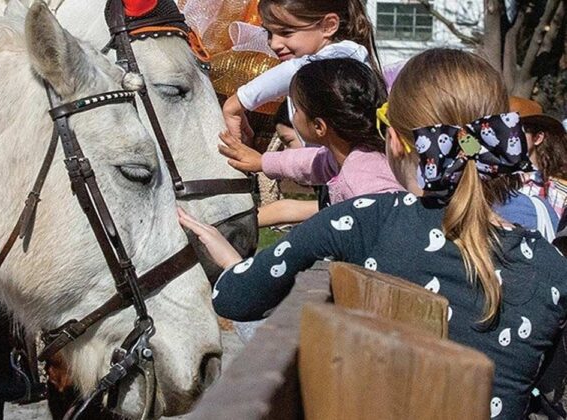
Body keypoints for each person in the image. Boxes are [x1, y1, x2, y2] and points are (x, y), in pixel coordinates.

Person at [180, 48, 567, 419]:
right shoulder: (553, 267)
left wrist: (233, 263)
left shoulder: (369, 219)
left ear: (395, 140)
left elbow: (235, 298)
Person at [221, 58, 403, 228]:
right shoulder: (356, 153)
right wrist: (262, 162)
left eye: (297, 109)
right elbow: (312, 162)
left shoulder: (360, 181)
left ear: (319, 126)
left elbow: (393, 224)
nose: (293, 116)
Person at [220, 0, 381, 144]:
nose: (274, 44)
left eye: (286, 33)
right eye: (269, 33)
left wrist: (237, 103)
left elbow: (297, 69)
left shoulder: (343, 55)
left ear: (329, 26)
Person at [511, 97, 567, 225]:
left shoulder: (560, 194)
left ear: (537, 138)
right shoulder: (490, 185)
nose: (510, 138)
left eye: (517, 131)